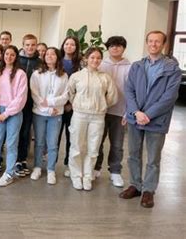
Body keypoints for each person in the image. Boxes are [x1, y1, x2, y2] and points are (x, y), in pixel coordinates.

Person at [120, 31, 181, 208]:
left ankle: (148, 190)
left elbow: (169, 97)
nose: (153, 44)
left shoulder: (172, 69)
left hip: (156, 120)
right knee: (133, 155)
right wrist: (136, 112)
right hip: (135, 118)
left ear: (163, 45)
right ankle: (135, 185)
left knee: (153, 159)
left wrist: (148, 115)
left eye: (157, 42)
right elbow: (129, 91)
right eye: (151, 41)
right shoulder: (137, 66)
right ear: (147, 43)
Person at [67, 47, 118, 191]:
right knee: (76, 146)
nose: (95, 60)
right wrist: (78, 104)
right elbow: (70, 93)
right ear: (86, 59)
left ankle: (88, 176)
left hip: (98, 116)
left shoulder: (105, 77)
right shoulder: (76, 76)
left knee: (93, 147)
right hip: (79, 114)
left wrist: (101, 105)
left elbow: (112, 97)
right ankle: (76, 176)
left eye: (98, 58)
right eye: (92, 57)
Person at [0, 45, 28, 187]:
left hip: (13, 112)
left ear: (16, 57)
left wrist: (6, 113)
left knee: (11, 144)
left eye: (12, 55)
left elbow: (20, 98)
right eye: (6, 54)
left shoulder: (21, 74)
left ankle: (9, 173)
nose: (8, 57)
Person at [93, 36, 131, 187]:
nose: (115, 48)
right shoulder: (100, 64)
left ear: (123, 48)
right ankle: (96, 168)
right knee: (98, 141)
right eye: (112, 46)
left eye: (119, 46)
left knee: (117, 144)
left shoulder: (130, 67)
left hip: (120, 111)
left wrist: (129, 111)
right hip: (100, 111)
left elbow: (132, 90)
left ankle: (115, 172)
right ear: (108, 48)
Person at [30, 47, 69, 185]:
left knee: (52, 144)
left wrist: (52, 104)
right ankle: (37, 167)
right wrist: (46, 109)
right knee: (39, 142)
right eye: (47, 54)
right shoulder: (37, 74)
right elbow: (35, 94)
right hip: (39, 113)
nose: (49, 56)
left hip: (56, 113)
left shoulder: (63, 75)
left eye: (53, 54)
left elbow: (65, 96)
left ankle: (51, 169)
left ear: (58, 57)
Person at [16, 34, 42, 177]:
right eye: (27, 45)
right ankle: (14, 159)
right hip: (16, 103)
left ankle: (22, 159)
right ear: (23, 45)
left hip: (31, 103)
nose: (30, 47)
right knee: (15, 132)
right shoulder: (17, 60)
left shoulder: (40, 63)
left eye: (33, 45)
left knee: (26, 132)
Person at [57, 36, 82, 177]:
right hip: (59, 104)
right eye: (67, 44)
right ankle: (51, 164)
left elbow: (81, 86)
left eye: (72, 44)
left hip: (73, 106)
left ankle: (69, 163)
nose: (69, 46)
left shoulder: (80, 63)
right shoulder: (58, 61)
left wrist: (71, 104)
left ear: (76, 47)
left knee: (71, 135)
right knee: (56, 135)